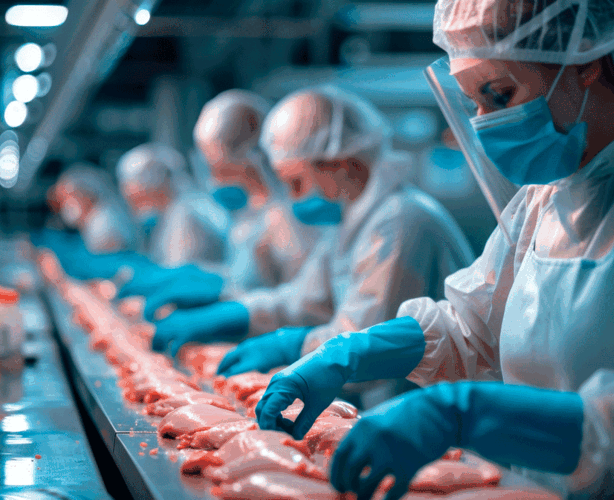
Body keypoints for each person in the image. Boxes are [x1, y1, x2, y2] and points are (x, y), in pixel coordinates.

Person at [252, 0, 614, 499]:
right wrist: (347, 354)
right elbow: (471, 328)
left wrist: (467, 413)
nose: (484, 123)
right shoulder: (545, 197)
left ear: (589, 61)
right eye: (474, 103)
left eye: (499, 94)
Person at [154, 86, 475, 400]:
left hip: (426, 414)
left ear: (340, 162)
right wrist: (238, 313)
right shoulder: (352, 221)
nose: (293, 198)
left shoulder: (400, 221)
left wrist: (290, 345)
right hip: (387, 406)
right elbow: (303, 299)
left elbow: (364, 344)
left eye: (297, 182)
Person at [130, 89, 330, 322]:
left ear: (252, 155)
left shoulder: (283, 218)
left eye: (221, 167)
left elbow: (306, 303)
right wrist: (209, 281)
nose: (214, 178)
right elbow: (246, 280)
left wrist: (232, 310)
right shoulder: (249, 213)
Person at [116, 142, 228, 268]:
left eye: (130, 189)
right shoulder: (171, 212)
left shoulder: (186, 215)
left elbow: (183, 273)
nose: (127, 197)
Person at [50, 163, 140, 255]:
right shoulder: (93, 222)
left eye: (68, 198)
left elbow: (113, 261)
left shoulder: (105, 223)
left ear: (87, 194)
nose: (66, 205)